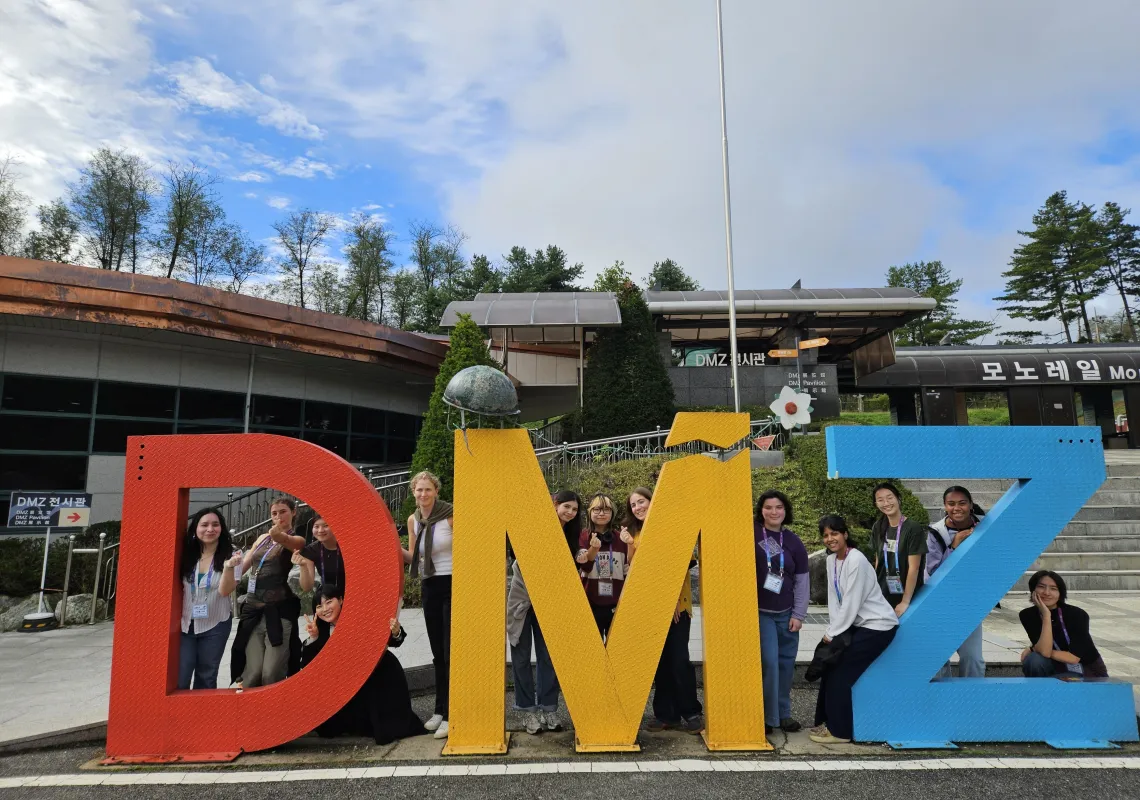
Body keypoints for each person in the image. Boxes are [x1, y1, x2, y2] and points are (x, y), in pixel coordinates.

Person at [810, 515, 899, 744]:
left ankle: (840, 732)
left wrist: (832, 634)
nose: (830, 539)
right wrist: (834, 629)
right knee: (830, 664)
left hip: (878, 625)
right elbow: (835, 600)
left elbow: (852, 601)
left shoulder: (856, 559)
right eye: (826, 535)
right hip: (857, 625)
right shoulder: (831, 561)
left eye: (835, 533)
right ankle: (824, 722)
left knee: (841, 671)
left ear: (845, 534)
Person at [300, 584, 427, 744]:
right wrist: (314, 638)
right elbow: (309, 664)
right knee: (329, 726)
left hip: (379, 673)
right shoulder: (321, 629)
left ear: (341, 600)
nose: (325, 609)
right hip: (349, 682)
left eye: (329, 602)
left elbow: (393, 640)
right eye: (319, 606)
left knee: (384, 726)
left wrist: (396, 631)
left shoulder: (358, 617)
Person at [626, 486, 704, 735]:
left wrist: (668, 602)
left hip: (676, 607)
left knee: (679, 659)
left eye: (642, 502)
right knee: (659, 663)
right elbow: (635, 571)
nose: (638, 507)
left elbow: (680, 566)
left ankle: (692, 712)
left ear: (653, 501)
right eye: (634, 505)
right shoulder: (634, 535)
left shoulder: (671, 528)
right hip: (649, 608)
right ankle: (666, 714)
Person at [506, 491, 579, 735]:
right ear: (555, 504)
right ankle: (528, 711)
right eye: (566, 506)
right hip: (523, 598)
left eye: (574, 509)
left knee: (549, 657)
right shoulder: (533, 525)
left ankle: (549, 709)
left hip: (551, 601)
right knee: (521, 657)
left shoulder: (570, 534)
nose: (570, 512)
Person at [230, 497, 306, 688]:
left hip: (279, 610)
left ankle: (277, 713)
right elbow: (244, 566)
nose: (278, 516)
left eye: (283, 512)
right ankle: (249, 714)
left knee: (270, 673)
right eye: (274, 513)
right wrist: (231, 568)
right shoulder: (262, 538)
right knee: (252, 673)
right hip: (253, 607)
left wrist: (278, 534)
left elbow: (288, 541)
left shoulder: (297, 538)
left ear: (293, 512)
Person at [401, 470, 453, 740]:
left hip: (453, 584)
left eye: (428, 490)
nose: (423, 494)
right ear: (413, 493)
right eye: (419, 490)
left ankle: (451, 714)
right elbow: (412, 556)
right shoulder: (414, 520)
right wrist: (390, 544)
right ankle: (439, 710)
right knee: (436, 651)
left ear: (437, 491)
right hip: (429, 585)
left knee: (448, 650)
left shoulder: (451, 515)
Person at [754, 489, 810, 734]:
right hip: (761, 612)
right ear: (761, 510)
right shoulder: (752, 533)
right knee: (768, 663)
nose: (773, 512)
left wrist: (798, 614)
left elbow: (802, 581)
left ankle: (784, 713)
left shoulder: (794, 541)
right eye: (768, 507)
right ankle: (768, 717)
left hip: (786, 613)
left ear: (785, 511)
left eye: (778, 507)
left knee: (786, 664)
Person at [178, 508, 241, 689]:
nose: (210, 529)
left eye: (215, 524)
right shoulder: (186, 553)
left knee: (206, 676)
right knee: (181, 677)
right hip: (185, 623)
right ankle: (181, 716)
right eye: (204, 525)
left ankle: (202, 716)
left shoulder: (234, 554)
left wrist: (228, 567)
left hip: (216, 624)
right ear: (195, 528)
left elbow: (225, 590)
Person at [927, 486, 986, 679]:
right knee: (936, 662)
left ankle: (973, 703)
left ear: (970, 505)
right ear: (945, 506)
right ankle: (942, 704)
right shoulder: (935, 533)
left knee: (973, 659)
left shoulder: (985, 527)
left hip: (970, 605)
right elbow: (933, 573)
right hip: (941, 604)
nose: (956, 508)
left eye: (962, 503)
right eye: (951, 504)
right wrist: (954, 546)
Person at [1019, 570, 1109, 678]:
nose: (1046, 592)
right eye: (1041, 587)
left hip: (1085, 669)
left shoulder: (1077, 615)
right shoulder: (1027, 615)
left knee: (1054, 679)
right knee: (1034, 660)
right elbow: (1043, 651)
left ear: (1060, 593)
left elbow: (1073, 658)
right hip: (1055, 665)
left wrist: (1035, 649)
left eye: (1053, 588)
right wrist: (1047, 616)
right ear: (1033, 590)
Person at [576, 493, 635, 640]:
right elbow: (586, 567)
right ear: (590, 512)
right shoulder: (583, 536)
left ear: (612, 513)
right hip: (589, 604)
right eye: (597, 509)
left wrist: (630, 544)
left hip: (616, 605)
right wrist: (593, 549)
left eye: (606, 509)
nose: (601, 513)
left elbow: (630, 567)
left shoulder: (620, 537)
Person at [870, 482, 927, 616]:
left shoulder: (912, 528)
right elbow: (878, 558)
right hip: (883, 592)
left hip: (906, 594)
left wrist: (905, 601)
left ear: (898, 499)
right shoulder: (878, 526)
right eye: (880, 500)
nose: (886, 503)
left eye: (890, 498)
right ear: (876, 504)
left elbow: (914, 568)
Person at [296, 514, 344, 593]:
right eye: (316, 526)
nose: (320, 530)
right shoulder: (311, 550)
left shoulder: (349, 545)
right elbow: (306, 588)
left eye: (326, 525)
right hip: (328, 597)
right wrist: (303, 566)